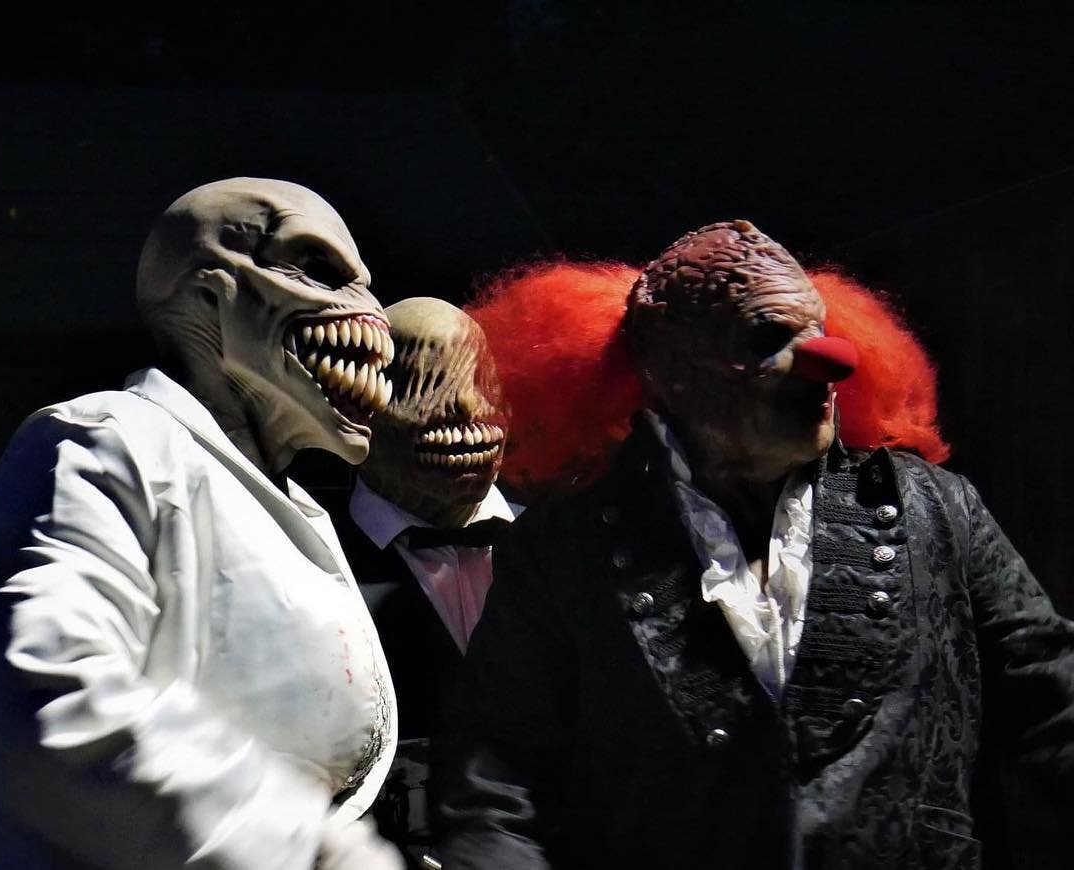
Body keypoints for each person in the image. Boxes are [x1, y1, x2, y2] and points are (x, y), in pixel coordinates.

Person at [434, 221, 1074, 869]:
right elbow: (498, 785)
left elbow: (1053, 699)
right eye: (769, 337)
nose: (829, 362)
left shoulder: (936, 509)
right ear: (669, 371)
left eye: (818, 332)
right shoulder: (565, 549)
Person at [0, 178, 404, 870]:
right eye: (318, 271)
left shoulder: (286, 500)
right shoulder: (103, 439)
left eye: (366, 286)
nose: (371, 315)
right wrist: (312, 848)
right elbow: (51, 698)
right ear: (208, 295)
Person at [321, 297, 514, 865]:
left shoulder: (569, 548)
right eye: (421, 386)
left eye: (482, 383)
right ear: (356, 406)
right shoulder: (302, 561)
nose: (467, 409)